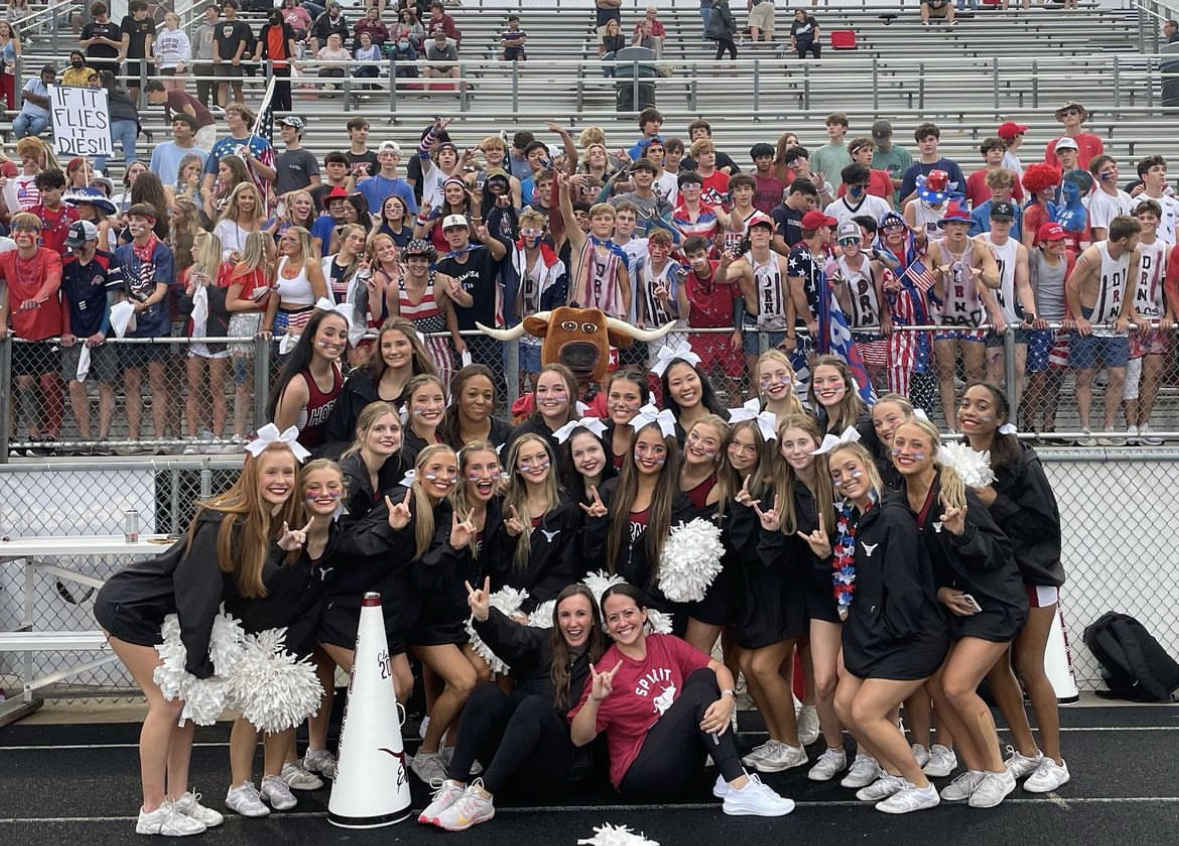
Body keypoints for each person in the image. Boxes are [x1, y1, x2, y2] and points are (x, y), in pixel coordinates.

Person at [92, 437, 310, 835]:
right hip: (130, 608)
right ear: (253, 475)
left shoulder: (262, 522)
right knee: (168, 704)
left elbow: (244, 588)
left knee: (184, 706)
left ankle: (177, 798)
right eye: (271, 472)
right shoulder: (223, 520)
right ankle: (152, 810)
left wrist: (279, 551)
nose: (281, 480)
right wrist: (197, 657)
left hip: (161, 615)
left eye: (288, 472)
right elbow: (200, 592)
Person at [890, 415, 1025, 809]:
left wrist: (962, 533)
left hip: (994, 603)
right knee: (935, 686)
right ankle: (978, 768)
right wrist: (939, 590)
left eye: (917, 445)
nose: (906, 451)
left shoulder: (955, 493)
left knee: (956, 686)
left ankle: (998, 772)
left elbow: (999, 553)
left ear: (933, 453)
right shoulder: (899, 498)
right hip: (954, 606)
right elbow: (919, 566)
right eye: (900, 443)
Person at [569, 583, 795, 815]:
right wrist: (595, 699)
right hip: (640, 777)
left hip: (681, 765)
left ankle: (730, 778)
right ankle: (739, 784)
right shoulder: (608, 670)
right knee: (698, 695)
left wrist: (728, 698)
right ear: (607, 625)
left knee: (704, 677)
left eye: (628, 613)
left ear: (643, 613)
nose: (623, 623)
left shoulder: (665, 644)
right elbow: (578, 738)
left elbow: (719, 669)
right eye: (614, 618)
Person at [822, 439, 948, 814]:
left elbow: (905, 593)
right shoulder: (853, 519)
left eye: (851, 468)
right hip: (877, 634)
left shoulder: (892, 517)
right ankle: (892, 770)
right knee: (844, 703)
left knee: (865, 711)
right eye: (836, 474)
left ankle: (920, 785)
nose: (845, 478)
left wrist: (879, 637)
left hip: (910, 637)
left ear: (869, 466)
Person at [959, 383, 1071, 793]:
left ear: (1000, 417)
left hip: (1031, 578)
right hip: (991, 581)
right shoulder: (958, 457)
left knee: (1028, 666)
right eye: (966, 403)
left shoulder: (1022, 460)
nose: (970, 410)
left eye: (982, 405)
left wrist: (993, 500)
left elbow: (1044, 526)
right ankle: (1025, 750)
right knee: (995, 667)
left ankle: (1055, 760)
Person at [421, 583, 606, 831]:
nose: (573, 623)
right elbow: (514, 637)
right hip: (513, 764)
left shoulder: (606, 653)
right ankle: (455, 785)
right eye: (565, 615)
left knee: (535, 707)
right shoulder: (545, 641)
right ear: (557, 619)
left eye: (581, 614)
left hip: (558, 771)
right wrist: (486, 617)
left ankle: (482, 797)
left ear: (594, 619)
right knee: (487, 693)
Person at [1065, 215, 1146, 445]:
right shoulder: (1093, 255)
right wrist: (1078, 317)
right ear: (1122, 240)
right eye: (1135, 238)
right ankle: (1085, 429)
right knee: (1084, 375)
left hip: (1113, 320)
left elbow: (1130, 284)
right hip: (1090, 318)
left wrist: (1124, 315)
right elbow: (1072, 284)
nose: (1137, 242)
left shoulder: (1133, 255)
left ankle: (1108, 427)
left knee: (1118, 375)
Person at [928, 201, 1001, 430]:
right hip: (944, 316)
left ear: (968, 226)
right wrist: (938, 273)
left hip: (971, 316)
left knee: (974, 371)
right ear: (945, 226)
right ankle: (951, 426)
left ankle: (971, 425)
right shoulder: (934, 248)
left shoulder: (979, 248)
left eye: (962, 224)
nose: (958, 229)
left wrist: (981, 275)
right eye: (953, 224)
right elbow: (920, 280)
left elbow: (995, 280)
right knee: (946, 371)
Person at [0, 213, 65, 449]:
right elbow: (7, 287)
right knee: (24, 382)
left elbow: (54, 279)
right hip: (21, 332)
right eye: (18, 230)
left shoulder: (50, 256)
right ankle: (32, 432)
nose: (23, 235)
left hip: (49, 330)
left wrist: (38, 298)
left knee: (49, 381)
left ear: (38, 235)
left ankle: (53, 431)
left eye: (29, 231)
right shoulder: (7, 258)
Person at [114, 204, 174, 452]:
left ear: (151, 223)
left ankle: (159, 438)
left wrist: (144, 304)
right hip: (131, 325)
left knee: (158, 383)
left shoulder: (162, 252)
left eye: (140, 219)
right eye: (131, 219)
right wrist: (125, 307)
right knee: (131, 384)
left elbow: (161, 288)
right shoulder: (121, 253)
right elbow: (117, 289)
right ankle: (133, 438)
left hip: (157, 324)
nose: (134, 224)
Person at [58, 220, 122, 448]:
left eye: (80, 244)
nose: (75, 248)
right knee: (75, 384)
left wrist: (102, 331)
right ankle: (85, 437)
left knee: (106, 383)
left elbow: (111, 299)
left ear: (94, 242)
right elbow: (64, 299)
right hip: (76, 330)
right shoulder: (67, 264)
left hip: (102, 330)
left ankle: (103, 438)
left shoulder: (108, 260)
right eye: (72, 243)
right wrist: (66, 330)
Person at [269, 306, 348, 451]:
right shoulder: (298, 386)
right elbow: (280, 441)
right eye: (329, 333)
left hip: (326, 457)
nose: (336, 341)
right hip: (297, 459)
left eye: (342, 335)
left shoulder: (337, 367)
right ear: (312, 336)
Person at [255, 9, 297, 113]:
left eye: (274, 17)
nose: (272, 19)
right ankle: (278, 116)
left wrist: (293, 55)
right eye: (270, 17)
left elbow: (290, 41)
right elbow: (260, 42)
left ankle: (287, 114)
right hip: (269, 67)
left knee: (285, 93)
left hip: (283, 66)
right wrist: (257, 55)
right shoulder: (266, 28)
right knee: (272, 94)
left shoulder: (286, 27)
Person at [213, 0, 252, 107]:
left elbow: (243, 41)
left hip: (235, 60)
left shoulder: (242, 25)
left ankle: (241, 109)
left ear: (234, 9)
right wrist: (216, 55)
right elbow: (215, 41)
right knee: (222, 85)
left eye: (229, 7)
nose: (227, 9)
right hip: (222, 59)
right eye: (225, 7)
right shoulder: (219, 26)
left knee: (237, 87)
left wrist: (237, 56)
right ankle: (221, 107)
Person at [1045, 101, 1103, 170]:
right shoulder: (1053, 145)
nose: (1069, 115)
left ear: (1080, 116)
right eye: (1064, 114)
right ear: (1062, 119)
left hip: (1087, 180)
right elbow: (1050, 170)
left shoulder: (1095, 142)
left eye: (1073, 112)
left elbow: (1099, 168)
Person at [13, 65, 54, 140]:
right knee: (17, 125)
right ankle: (26, 142)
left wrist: (32, 99)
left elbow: (50, 104)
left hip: (41, 118)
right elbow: (25, 94)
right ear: (42, 77)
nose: (49, 80)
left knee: (39, 124)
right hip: (25, 115)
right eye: (47, 77)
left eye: (51, 78)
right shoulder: (33, 82)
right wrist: (44, 100)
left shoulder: (54, 89)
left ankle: (27, 141)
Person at [81, 2, 123, 75]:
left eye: (101, 15)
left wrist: (107, 41)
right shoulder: (89, 27)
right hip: (93, 62)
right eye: (97, 16)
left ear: (106, 12)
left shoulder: (115, 27)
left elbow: (121, 45)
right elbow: (81, 43)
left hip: (110, 62)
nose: (100, 18)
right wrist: (91, 41)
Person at [154, 12, 190, 91]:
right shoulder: (162, 35)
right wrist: (158, 57)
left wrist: (183, 61)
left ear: (176, 21)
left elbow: (186, 49)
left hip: (178, 65)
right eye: (165, 20)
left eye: (169, 20)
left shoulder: (182, 35)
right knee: (169, 92)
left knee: (179, 93)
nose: (167, 22)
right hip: (165, 65)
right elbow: (157, 49)